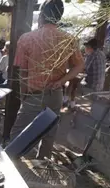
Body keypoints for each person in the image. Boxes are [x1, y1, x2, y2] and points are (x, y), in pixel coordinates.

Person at [9, 0, 84, 158]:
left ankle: (18, 171)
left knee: (18, 135)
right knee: (49, 134)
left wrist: (23, 95)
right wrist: (62, 81)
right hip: (55, 93)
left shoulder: (27, 38)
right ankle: (42, 170)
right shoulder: (68, 39)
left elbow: (23, 72)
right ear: (59, 16)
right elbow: (79, 66)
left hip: (33, 94)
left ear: (42, 15)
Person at [65, 38, 105, 109]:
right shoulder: (101, 54)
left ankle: (71, 104)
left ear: (90, 47)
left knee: (73, 82)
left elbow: (82, 68)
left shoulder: (92, 55)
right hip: (100, 86)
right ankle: (67, 100)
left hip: (92, 87)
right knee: (74, 80)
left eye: (86, 47)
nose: (85, 49)